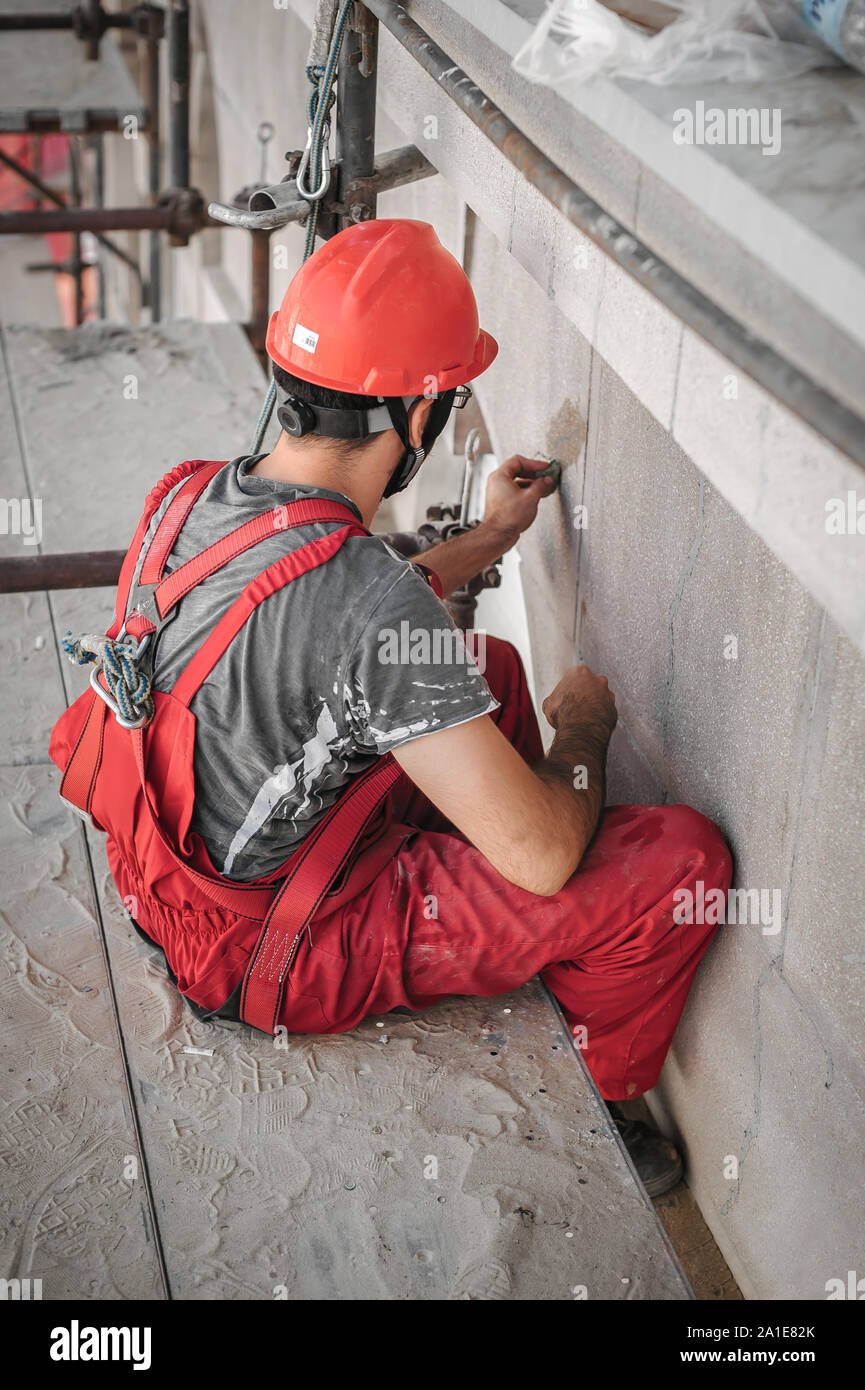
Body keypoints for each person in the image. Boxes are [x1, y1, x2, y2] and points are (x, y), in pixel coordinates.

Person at [53, 219, 731, 1197]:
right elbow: (535, 846)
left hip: (168, 871)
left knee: (485, 669)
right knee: (679, 863)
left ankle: (527, 927)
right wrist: (585, 724)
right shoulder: (366, 603)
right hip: (265, 951)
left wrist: (495, 535)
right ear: (417, 417)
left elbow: (339, 609)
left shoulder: (191, 496)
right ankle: (603, 1098)